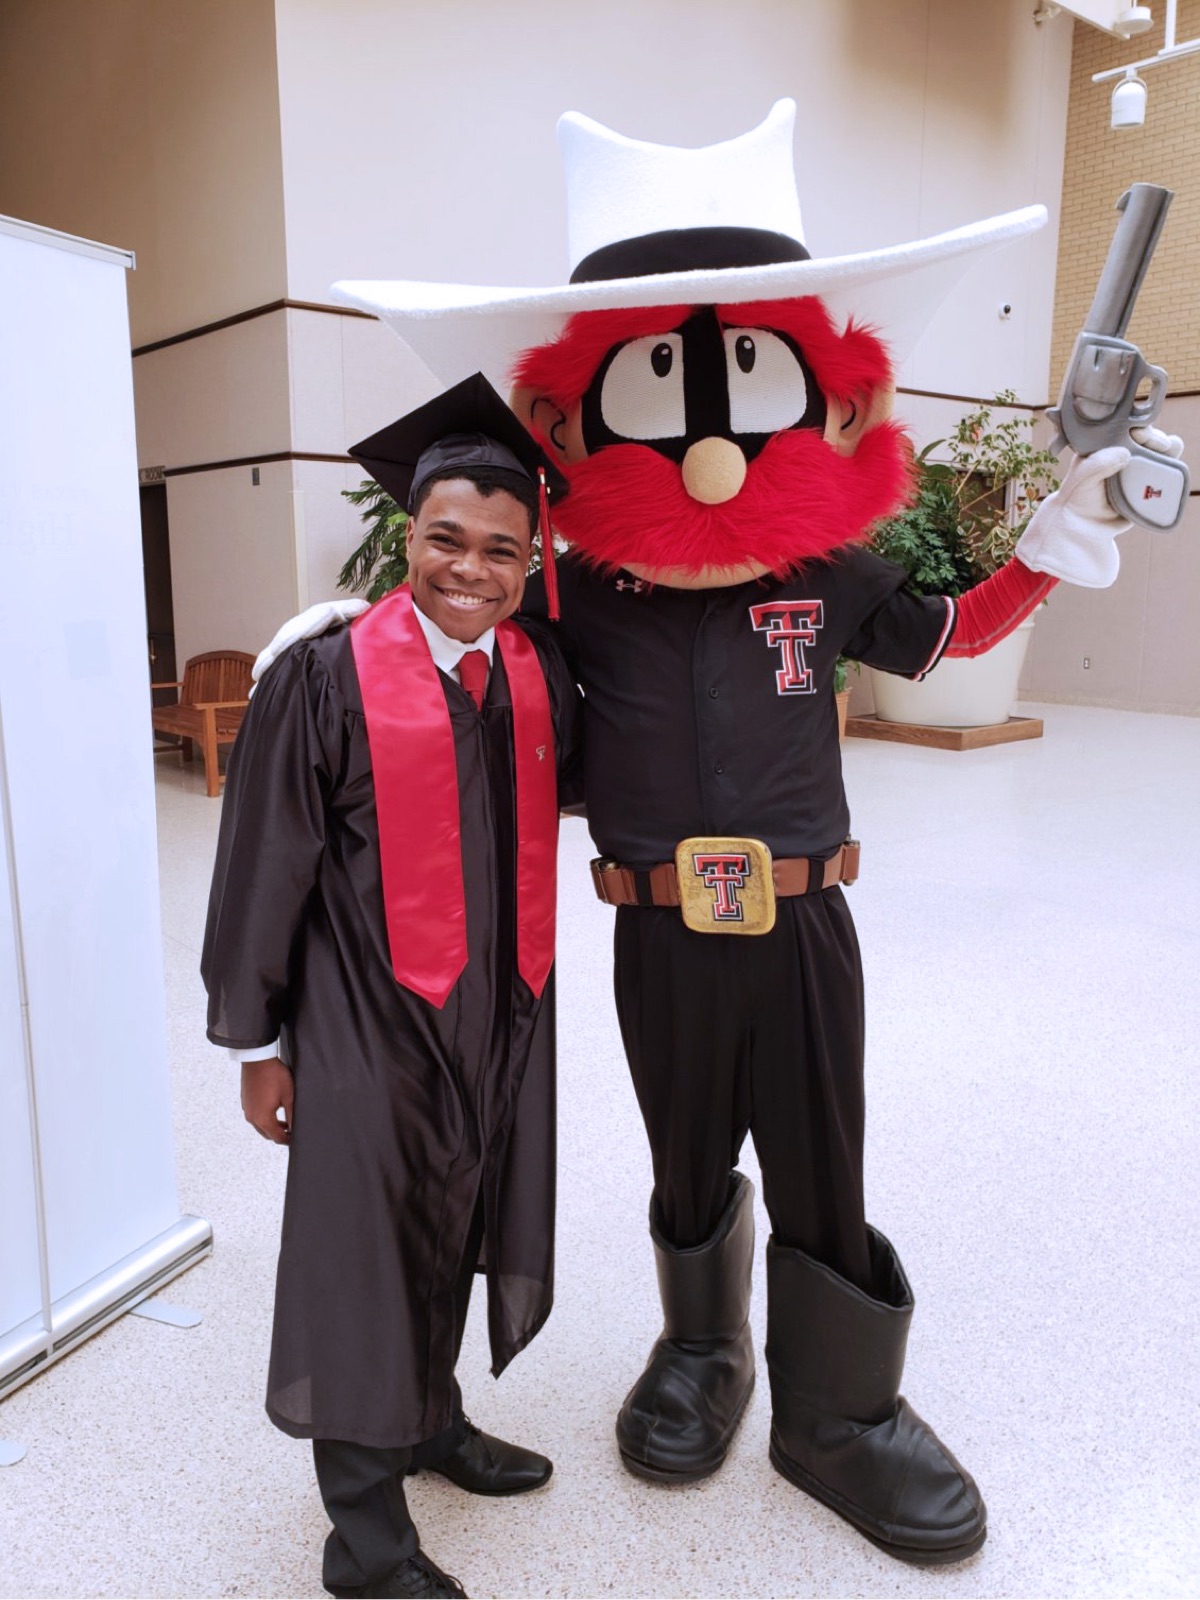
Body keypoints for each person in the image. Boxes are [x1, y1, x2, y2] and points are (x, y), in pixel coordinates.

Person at [263, 101, 1185, 1570]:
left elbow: (947, 636)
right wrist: (367, 643)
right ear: (574, 418)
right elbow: (487, 686)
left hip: (807, 921)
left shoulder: (829, 564)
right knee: (684, 1149)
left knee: (825, 1153)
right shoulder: (574, 595)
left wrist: (1061, 539)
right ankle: (706, 1354)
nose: (701, 450)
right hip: (653, 923)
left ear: (817, 394)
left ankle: (842, 1414)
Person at [202, 374, 580, 1600]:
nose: (471, 569)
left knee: (456, 1221)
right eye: (446, 540)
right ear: (405, 537)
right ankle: (363, 1542)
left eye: (501, 550)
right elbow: (264, 867)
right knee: (366, 1253)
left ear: (531, 559)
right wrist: (261, 1042)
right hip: (364, 1019)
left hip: (500, 1011)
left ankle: (429, 1421)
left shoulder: (529, 674)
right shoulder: (321, 676)